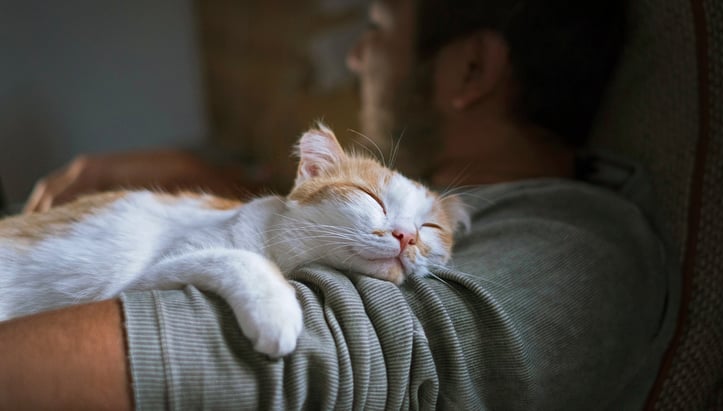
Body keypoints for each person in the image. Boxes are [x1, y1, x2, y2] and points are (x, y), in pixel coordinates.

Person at [0, 0, 679, 409]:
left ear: (470, 70)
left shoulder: (578, 250)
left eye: (379, 26)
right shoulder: (478, 212)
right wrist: (211, 181)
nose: (357, 56)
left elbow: (289, 364)